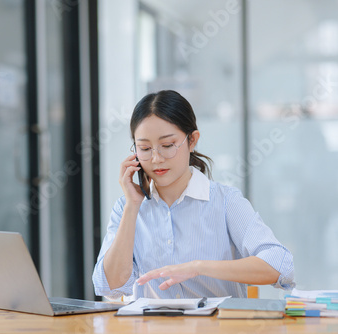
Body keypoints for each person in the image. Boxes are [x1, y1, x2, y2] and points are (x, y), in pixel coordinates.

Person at [92, 90, 295, 299]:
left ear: (192, 140)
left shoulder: (225, 201)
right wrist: (132, 207)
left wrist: (198, 267)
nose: (156, 159)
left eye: (167, 145)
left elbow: (280, 264)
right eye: (144, 148)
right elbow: (109, 287)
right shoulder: (126, 208)